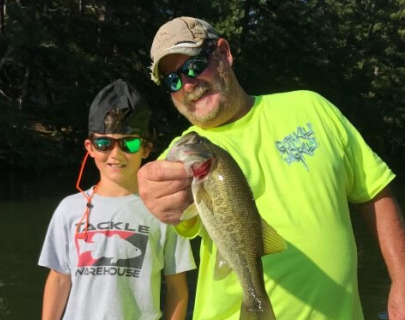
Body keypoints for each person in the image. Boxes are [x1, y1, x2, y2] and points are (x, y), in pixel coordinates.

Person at [137, 16, 405, 320]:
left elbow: (374, 190)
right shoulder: (183, 155)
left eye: (194, 66)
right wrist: (157, 194)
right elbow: (170, 202)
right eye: (173, 81)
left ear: (224, 53)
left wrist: (402, 278)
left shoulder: (311, 108)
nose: (187, 84)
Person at [38, 79, 196, 320]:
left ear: (145, 149)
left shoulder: (165, 209)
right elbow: (59, 279)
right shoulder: (69, 209)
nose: (115, 154)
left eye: (128, 143)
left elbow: (177, 289)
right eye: (104, 143)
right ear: (90, 148)